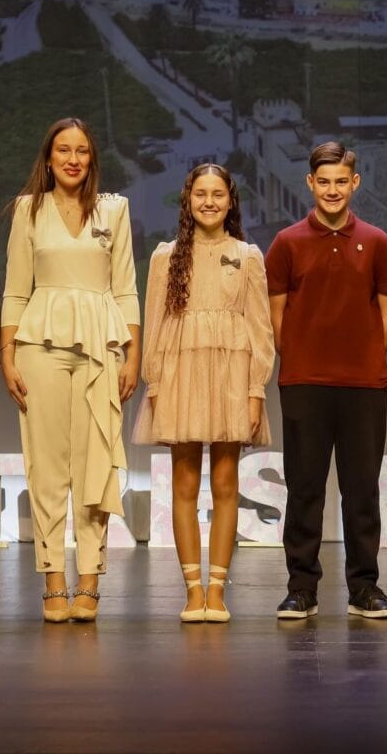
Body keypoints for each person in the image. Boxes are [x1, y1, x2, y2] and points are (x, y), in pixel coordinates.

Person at [0, 118, 140, 623]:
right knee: (47, 466)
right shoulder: (27, 211)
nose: (73, 159)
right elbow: (15, 288)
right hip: (39, 343)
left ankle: (90, 581)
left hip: (103, 346)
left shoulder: (114, 209)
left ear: (92, 158)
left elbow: (126, 287)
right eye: (64, 149)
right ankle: (53, 579)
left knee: (95, 462)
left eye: (82, 150)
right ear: (49, 156)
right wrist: (8, 353)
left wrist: (134, 357)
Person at [264, 142, 387, 620]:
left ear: (355, 183)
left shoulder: (377, 241)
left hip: (364, 385)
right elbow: (275, 312)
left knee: (362, 489)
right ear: (310, 183)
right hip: (304, 382)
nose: (332, 190)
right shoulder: (286, 242)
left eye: (341, 181)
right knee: (304, 487)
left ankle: (364, 588)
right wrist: (301, 357)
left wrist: (363, 354)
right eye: (323, 181)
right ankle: (301, 588)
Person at [133, 164, 274, 623]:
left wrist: (256, 390)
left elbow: (260, 330)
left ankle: (218, 589)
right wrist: (154, 380)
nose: (209, 201)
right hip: (181, 374)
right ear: (187, 199)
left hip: (232, 376)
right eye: (200, 193)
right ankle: (193, 591)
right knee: (185, 484)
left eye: (217, 194)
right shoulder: (164, 257)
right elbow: (154, 323)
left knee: (227, 483)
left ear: (231, 200)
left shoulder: (248, 255)